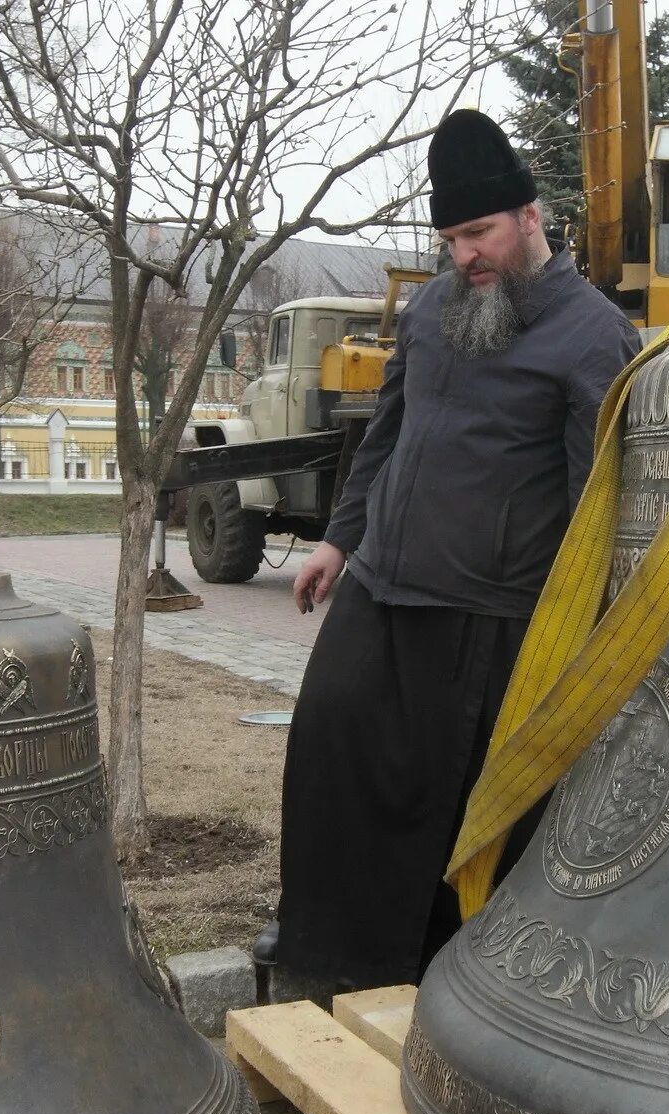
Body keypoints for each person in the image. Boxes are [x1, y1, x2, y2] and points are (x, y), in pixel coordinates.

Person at [257, 109, 643, 989]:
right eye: (451, 237)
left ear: (529, 220)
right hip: (382, 589)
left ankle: (430, 974)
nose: (464, 254)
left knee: (445, 805)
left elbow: (597, 505)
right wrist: (338, 540)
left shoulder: (592, 336)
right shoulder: (433, 309)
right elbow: (383, 437)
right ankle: (322, 947)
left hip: (488, 619)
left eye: (480, 233)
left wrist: (586, 627)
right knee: (330, 750)